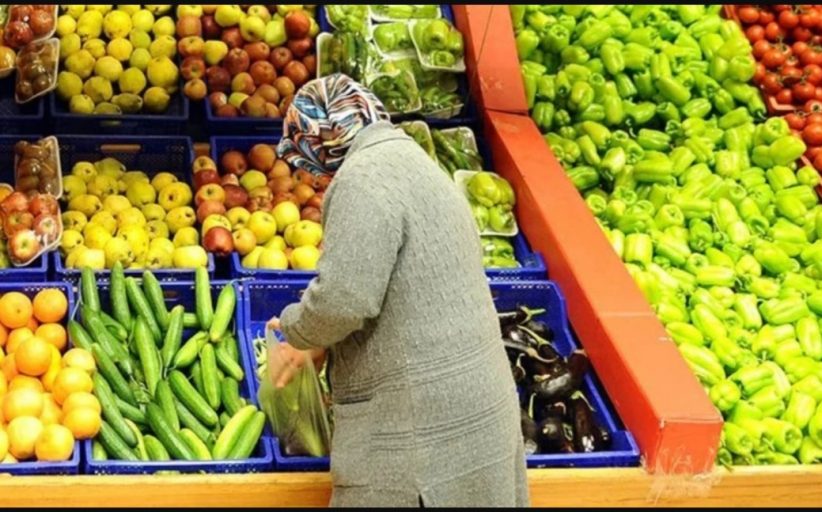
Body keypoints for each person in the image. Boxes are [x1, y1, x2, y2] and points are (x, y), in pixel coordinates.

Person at [266, 74, 528, 508]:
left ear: (320, 142)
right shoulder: (414, 160)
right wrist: (323, 344)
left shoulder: (362, 179)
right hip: (477, 412)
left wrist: (298, 331)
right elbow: (397, 286)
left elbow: (344, 298)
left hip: (422, 428)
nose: (308, 174)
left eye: (303, 158)